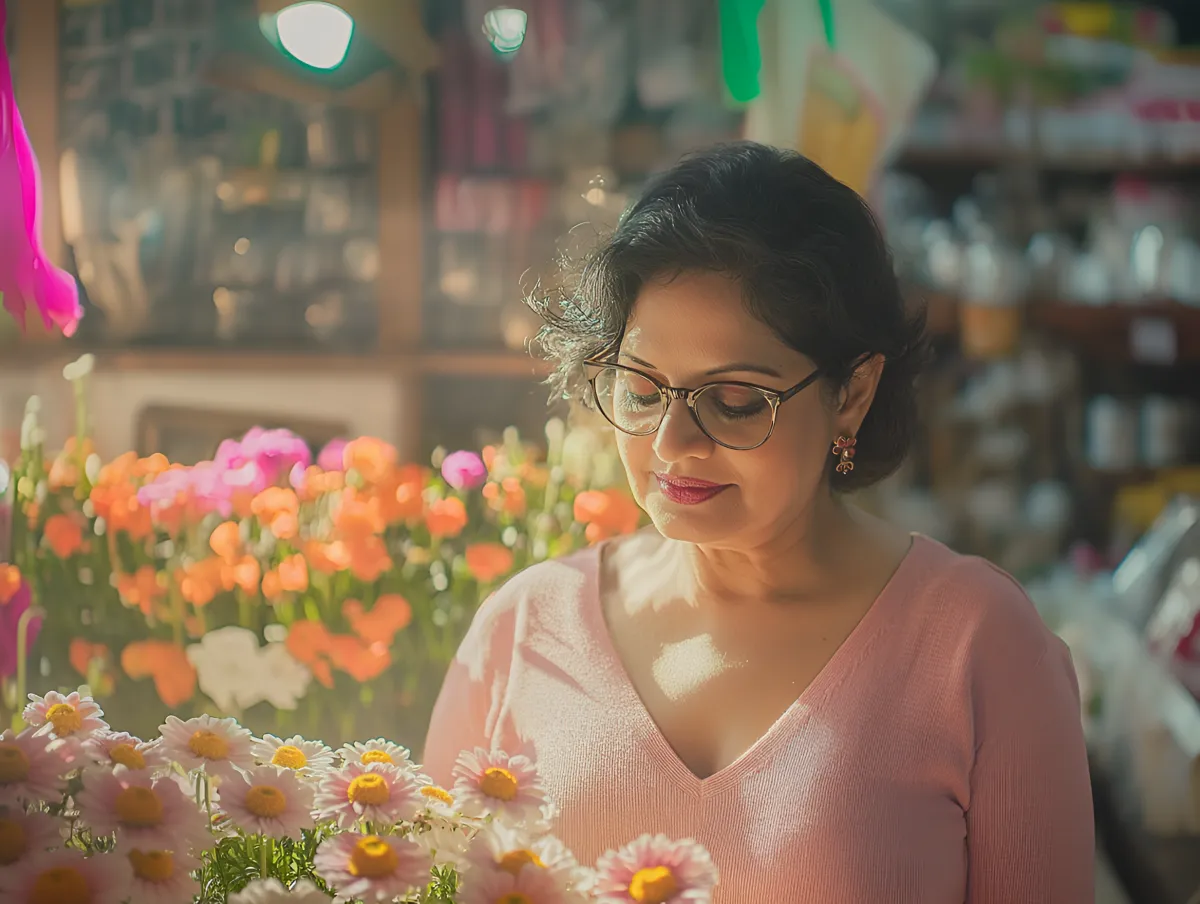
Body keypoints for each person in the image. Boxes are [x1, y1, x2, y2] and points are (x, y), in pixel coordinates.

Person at [423, 141, 1094, 902]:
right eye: (642, 391)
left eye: (736, 402)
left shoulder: (978, 646)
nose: (674, 444)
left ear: (852, 393)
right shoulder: (525, 629)